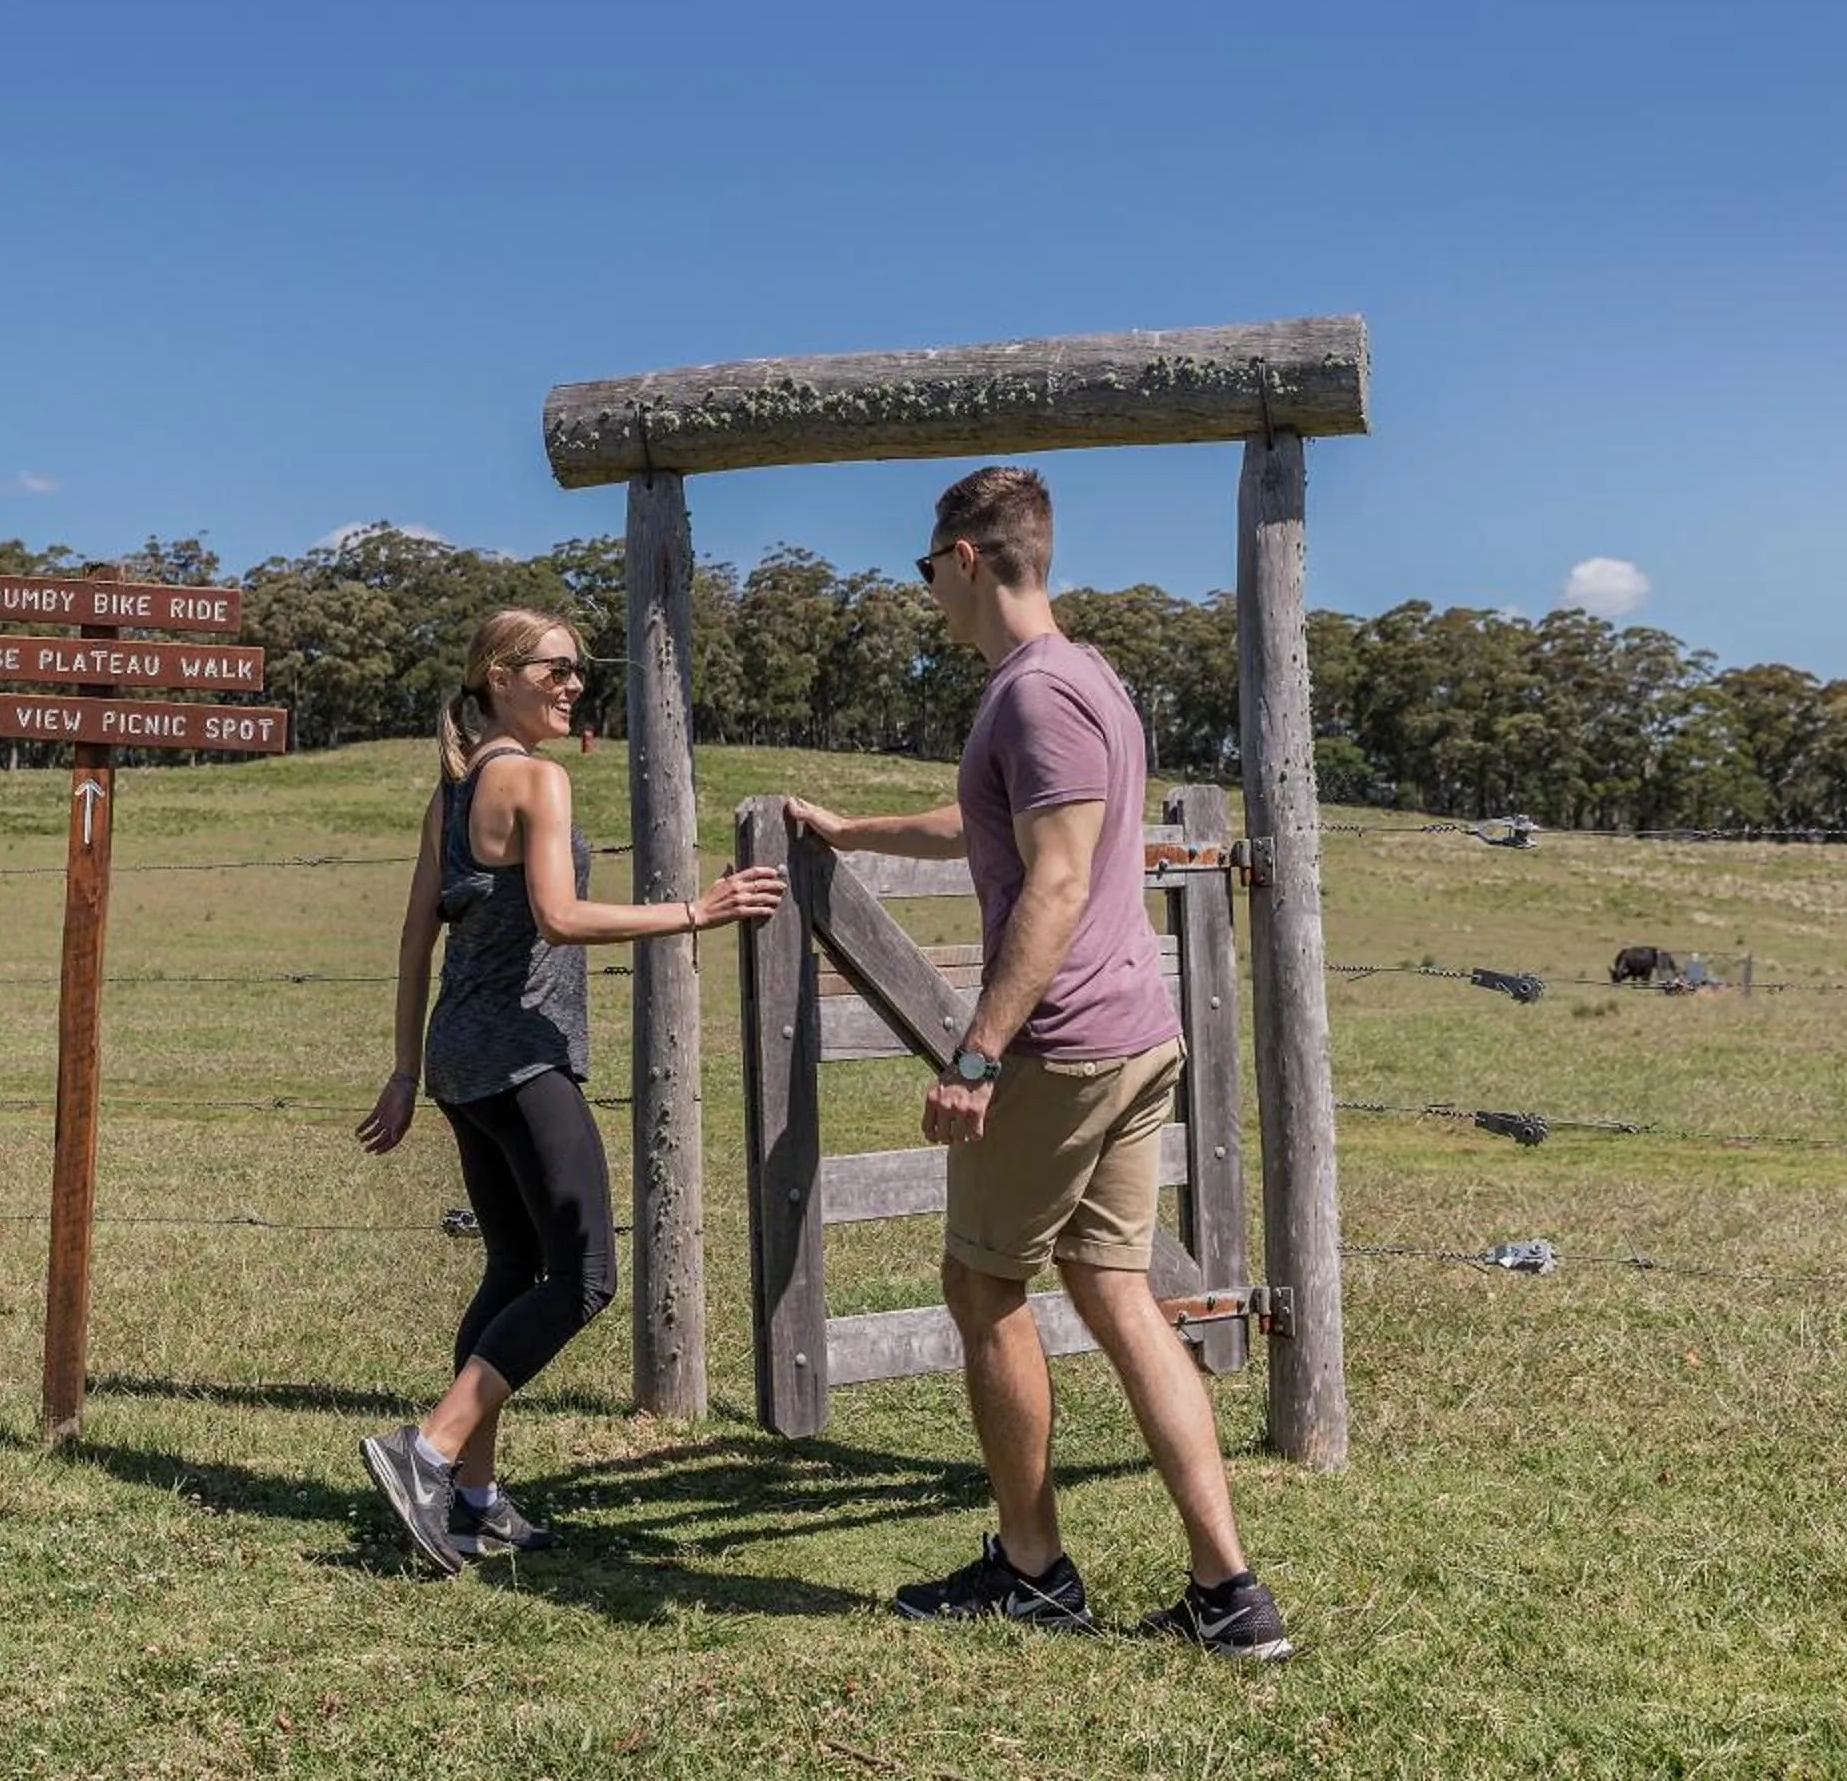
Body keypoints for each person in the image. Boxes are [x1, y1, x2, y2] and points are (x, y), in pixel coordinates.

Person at [784, 467, 1292, 1659]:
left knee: (982, 1287)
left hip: (1063, 1047)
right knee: (1116, 1290)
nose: (927, 594)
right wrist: (854, 831)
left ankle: (1033, 1565)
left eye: (924, 570)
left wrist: (978, 1051)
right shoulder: (1086, 679)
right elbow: (1000, 829)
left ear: (967, 557)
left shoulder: (1036, 695)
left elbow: (1057, 881)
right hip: (1133, 1032)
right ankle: (1229, 1593)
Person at [357, 608, 785, 1575]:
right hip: (519, 1057)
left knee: (513, 1268)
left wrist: (406, 1070)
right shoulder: (535, 781)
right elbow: (556, 917)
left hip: (462, 1060)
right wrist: (695, 911)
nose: (574, 684)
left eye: (580, 670)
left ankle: (471, 1494)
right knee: (585, 1276)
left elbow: (416, 939)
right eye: (556, 668)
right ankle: (424, 1453)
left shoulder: (455, 788)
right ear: (500, 675)